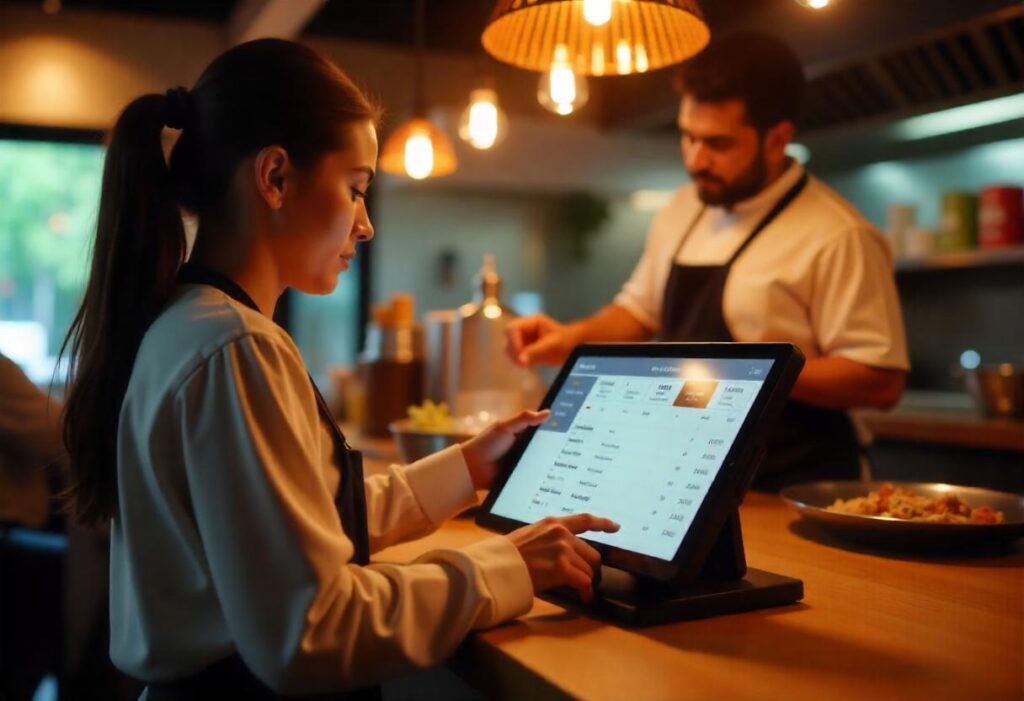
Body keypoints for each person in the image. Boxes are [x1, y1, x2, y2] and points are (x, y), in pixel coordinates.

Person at [59, 39, 619, 700]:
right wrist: (504, 565)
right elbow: (311, 628)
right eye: (355, 190)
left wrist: (466, 467)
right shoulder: (234, 348)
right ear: (275, 178)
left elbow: (291, 527)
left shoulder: (192, 323)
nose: (367, 225)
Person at [507, 32, 909, 492]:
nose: (696, 160)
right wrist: (568, 339)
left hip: (793, 485)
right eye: (688, 137)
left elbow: (881, 380)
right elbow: (638, 311)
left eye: (717, 144)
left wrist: (748, 370)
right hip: (689, 480)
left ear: (777, 139)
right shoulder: (683, 207)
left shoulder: (838, 234)